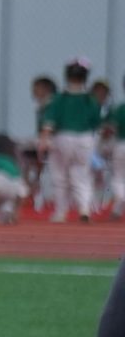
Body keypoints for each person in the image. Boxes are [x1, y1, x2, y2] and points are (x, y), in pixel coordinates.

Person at [39, 58, 100, 221]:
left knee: (60, 175)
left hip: (62, 137)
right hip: (85, 139)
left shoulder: (58, 98)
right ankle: (84, 208)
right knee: (82, 174)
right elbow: (96, 123)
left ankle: (61, 212)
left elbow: (48, 123)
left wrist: (43, 141)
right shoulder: (91, 100)